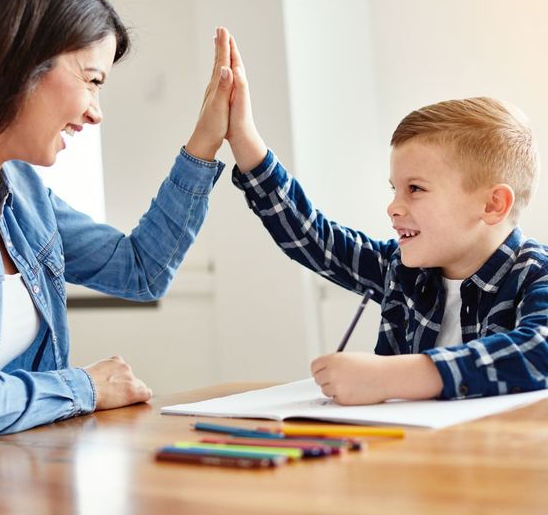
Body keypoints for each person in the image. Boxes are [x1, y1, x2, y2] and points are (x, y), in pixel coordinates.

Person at [0, 0, 234, 442]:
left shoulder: (22, 190)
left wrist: (204, 141)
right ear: (14, 60)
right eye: (92, 80)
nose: (96, 113)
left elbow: (140, 271)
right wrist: (85, 386)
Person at [224, 35, 548, 404]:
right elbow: (313, 238)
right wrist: (243, 138)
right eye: (394, 189)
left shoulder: (535, 273)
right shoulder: (401, 268)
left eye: (415, 189)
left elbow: (539, 349)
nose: (393, 207)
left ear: (492, 205)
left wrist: (392, 378)